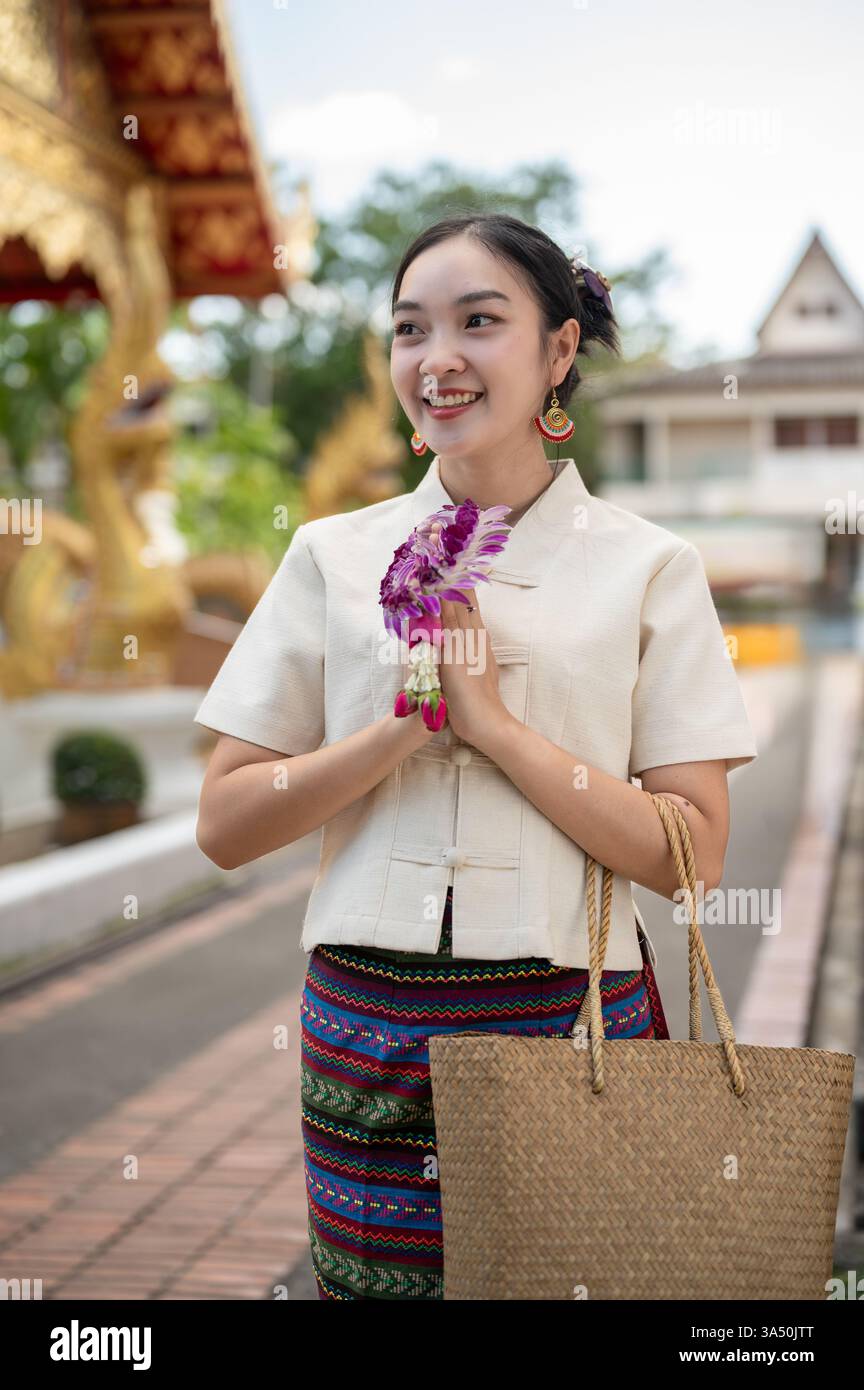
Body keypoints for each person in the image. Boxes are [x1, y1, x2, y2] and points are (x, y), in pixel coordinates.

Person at [194, 212, 758, 1301]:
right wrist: (402, 729)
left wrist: (494, 726)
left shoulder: (650, 568)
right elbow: (225, 823)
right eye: (410, 329)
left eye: (479, 322)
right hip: (365, 1038)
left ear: (557, 351)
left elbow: (690, 855)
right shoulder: (332, 556)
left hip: (573, 1026)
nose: (436, 357)